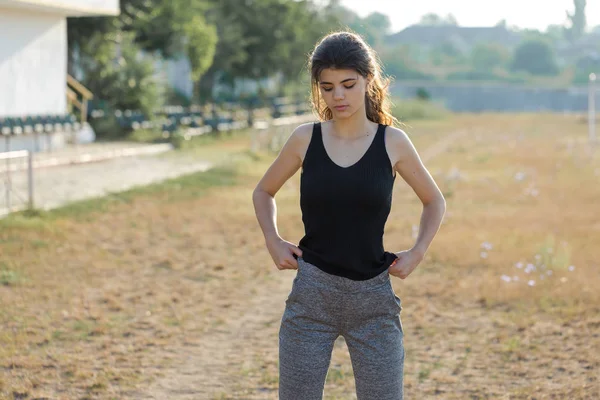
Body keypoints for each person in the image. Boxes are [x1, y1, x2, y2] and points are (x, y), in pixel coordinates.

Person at [252, 31, 446, 400]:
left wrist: (418, 251)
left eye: (347, 84)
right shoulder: (303, 139)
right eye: (326, 87)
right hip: (311, 297)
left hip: (374, 303)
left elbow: (434, 201)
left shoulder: (393, 143)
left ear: (368, 80)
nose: (337, 96)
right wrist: (272, 240)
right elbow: (263, 191)